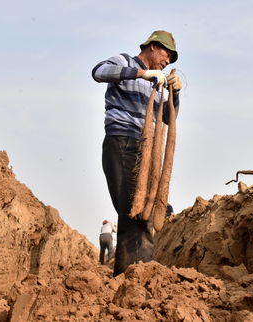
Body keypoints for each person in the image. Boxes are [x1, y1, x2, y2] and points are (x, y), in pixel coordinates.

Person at [92, 30, 182, 276]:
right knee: (135, 212)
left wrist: (175, 93)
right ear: (152, 47)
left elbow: (166, 117)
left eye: (172, 59)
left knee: (146, 210)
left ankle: (131, 278)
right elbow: (98, 72)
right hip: (121, 142)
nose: (167, 61)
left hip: (145, 150)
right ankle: (134, 278)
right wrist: (142, 73)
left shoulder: (158, 82)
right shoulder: (124, 62)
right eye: (167, 54)